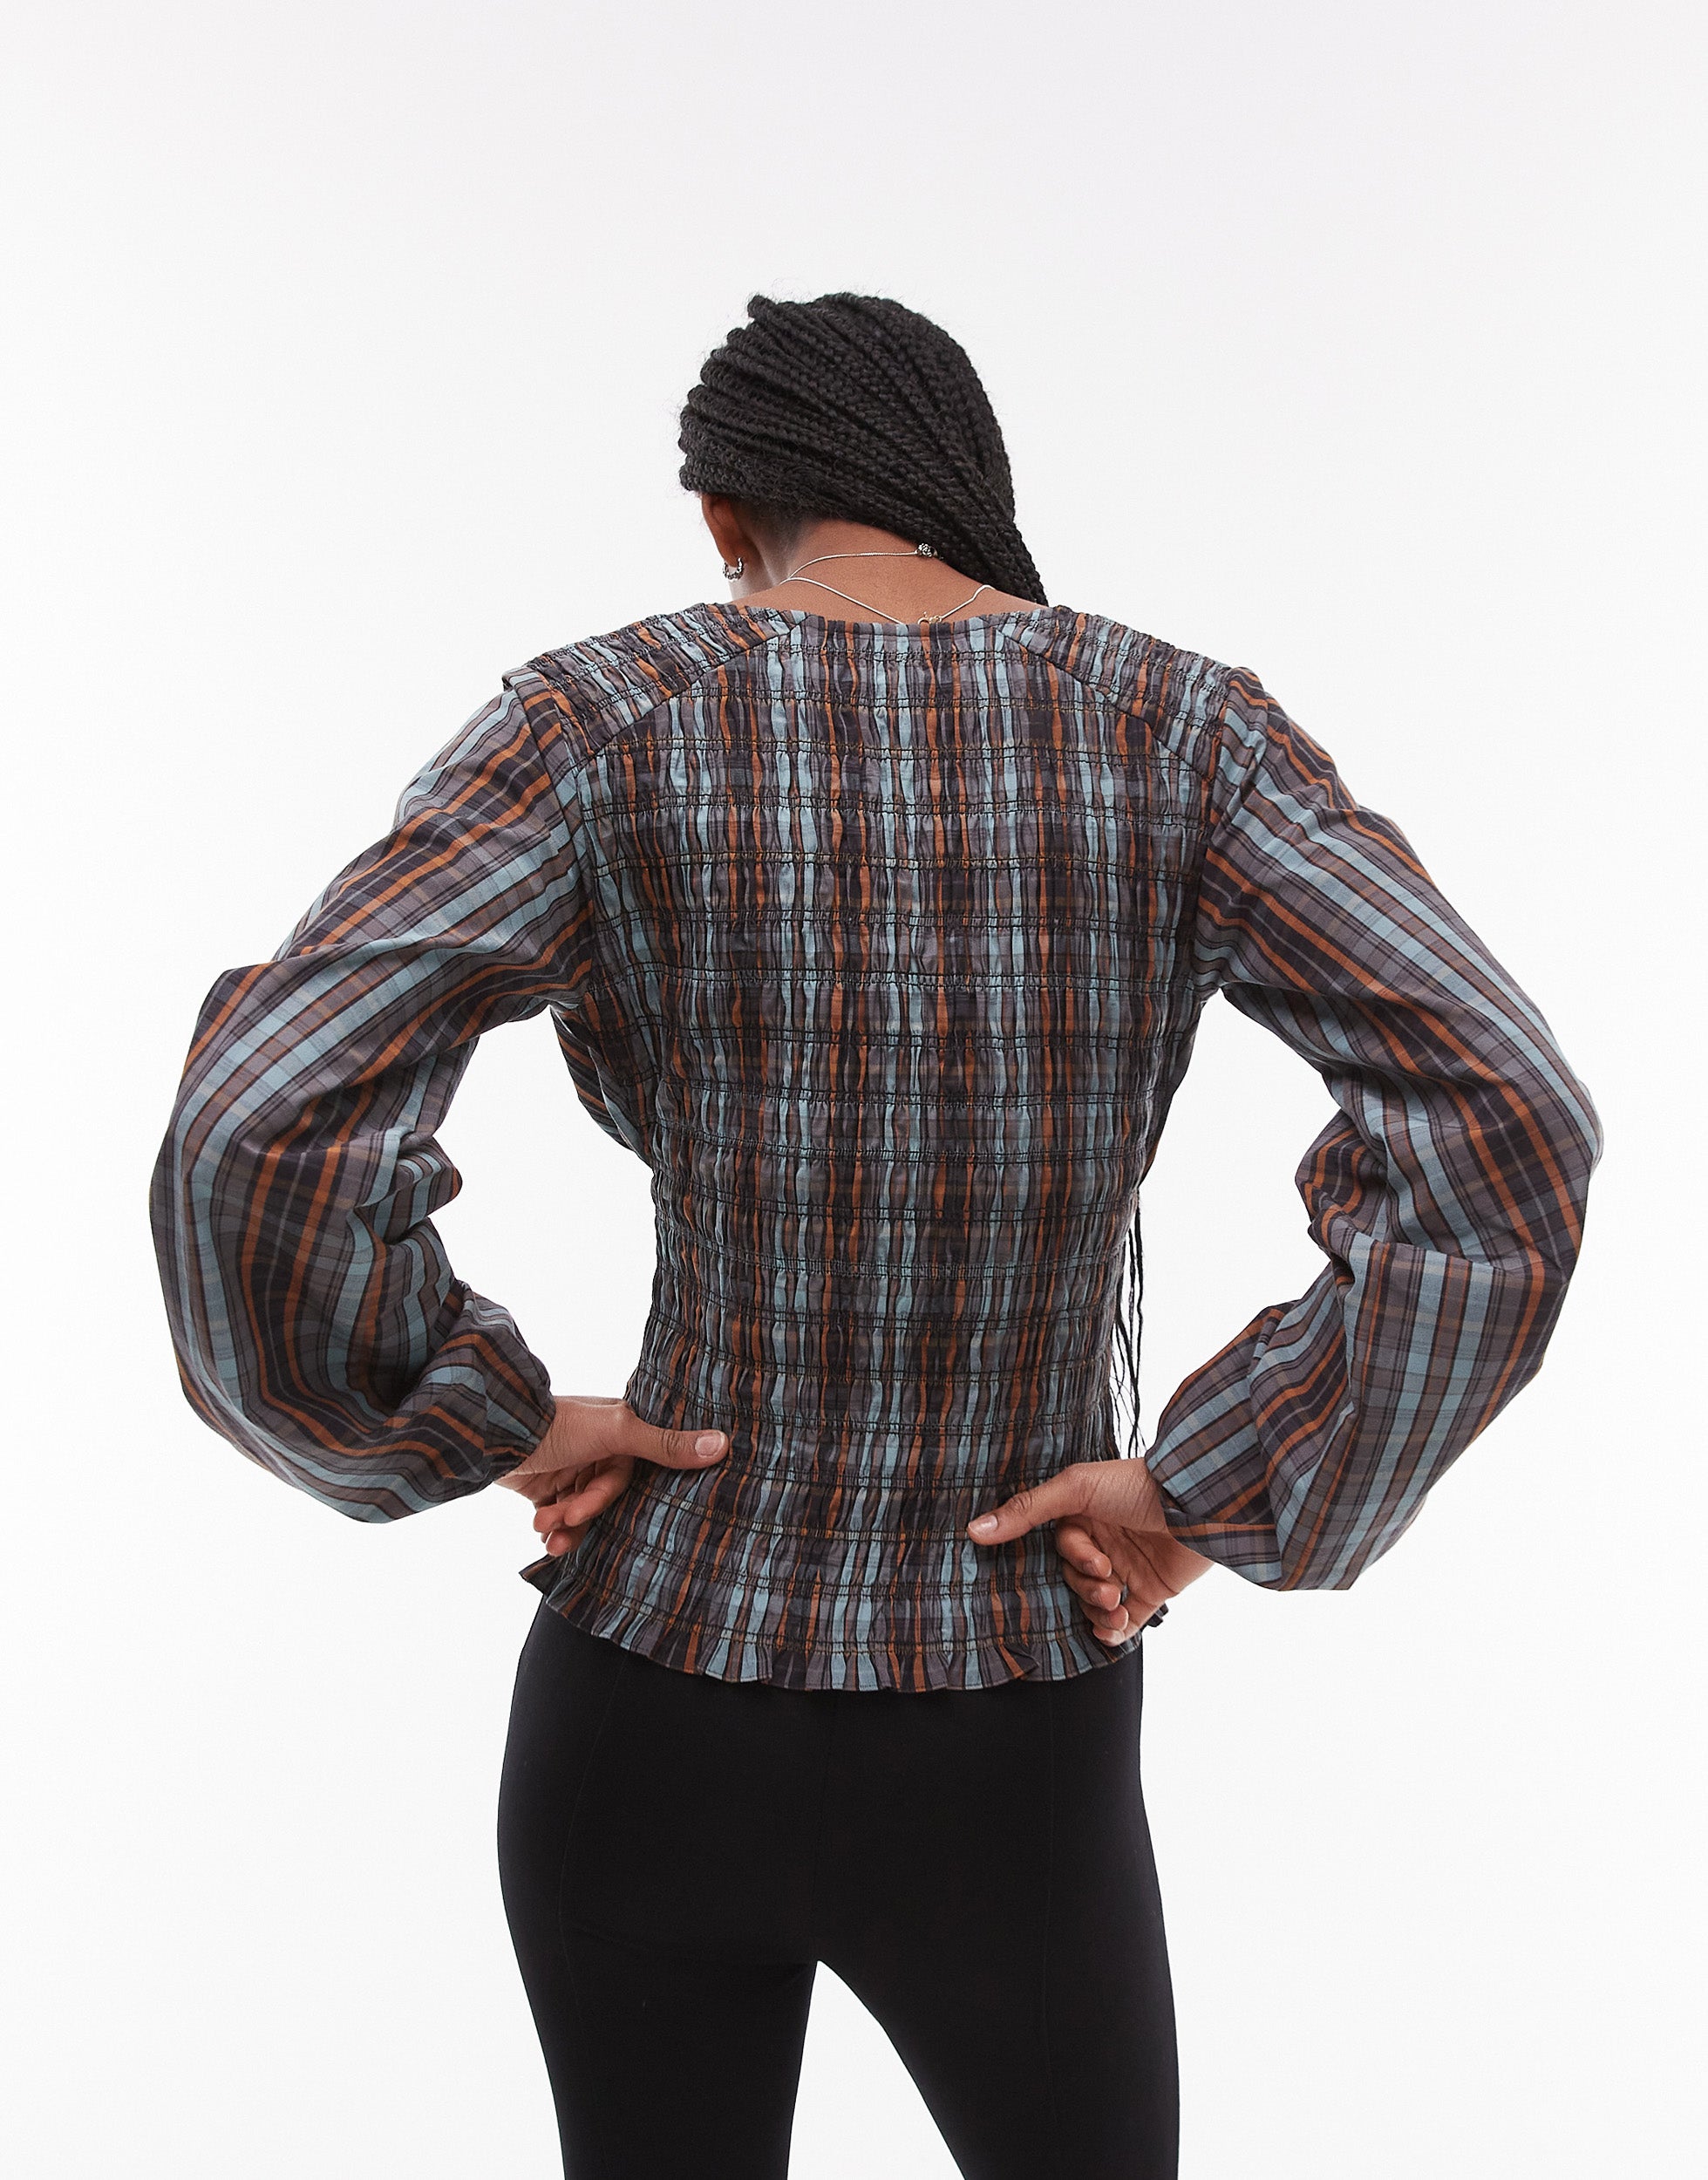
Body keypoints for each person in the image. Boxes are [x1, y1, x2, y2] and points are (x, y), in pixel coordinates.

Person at [150, 291, 1602, 2178]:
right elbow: (1503, 1113)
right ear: (958, 488)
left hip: (642, 1702)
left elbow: (260, 1120)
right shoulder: (1181, 731)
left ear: (721, 516)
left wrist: (476, 1418)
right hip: (1010, 1723)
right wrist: (1215, 1493)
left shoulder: (595, 722)